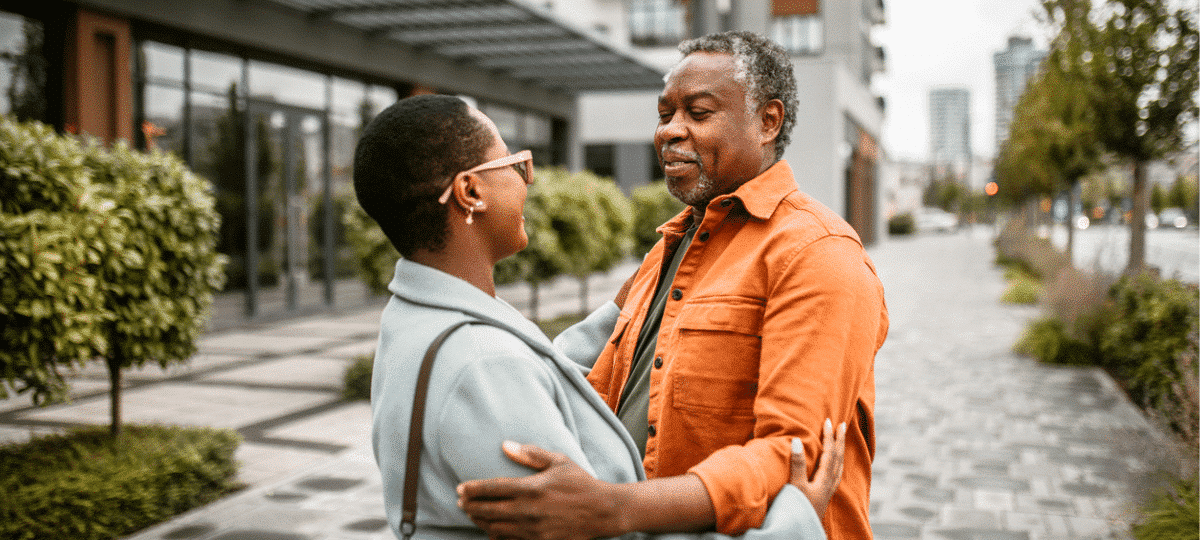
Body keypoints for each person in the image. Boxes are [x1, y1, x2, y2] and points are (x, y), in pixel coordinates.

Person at [355, 93, 848, 540]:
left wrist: (622, 310)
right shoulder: (484, 367)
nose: (530, 180)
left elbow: (540, 365)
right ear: (470, 193)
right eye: (516, 164)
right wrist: (795, 522)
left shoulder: (414, 321)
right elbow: (600, 531)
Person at [458, 31, 889, 540]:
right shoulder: (673, 244)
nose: (670, 132)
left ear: (767, 121)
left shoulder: (818, 256)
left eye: (698, 113)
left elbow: (793, 460)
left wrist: (615, 508)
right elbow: (597, 374)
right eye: (665, 115)